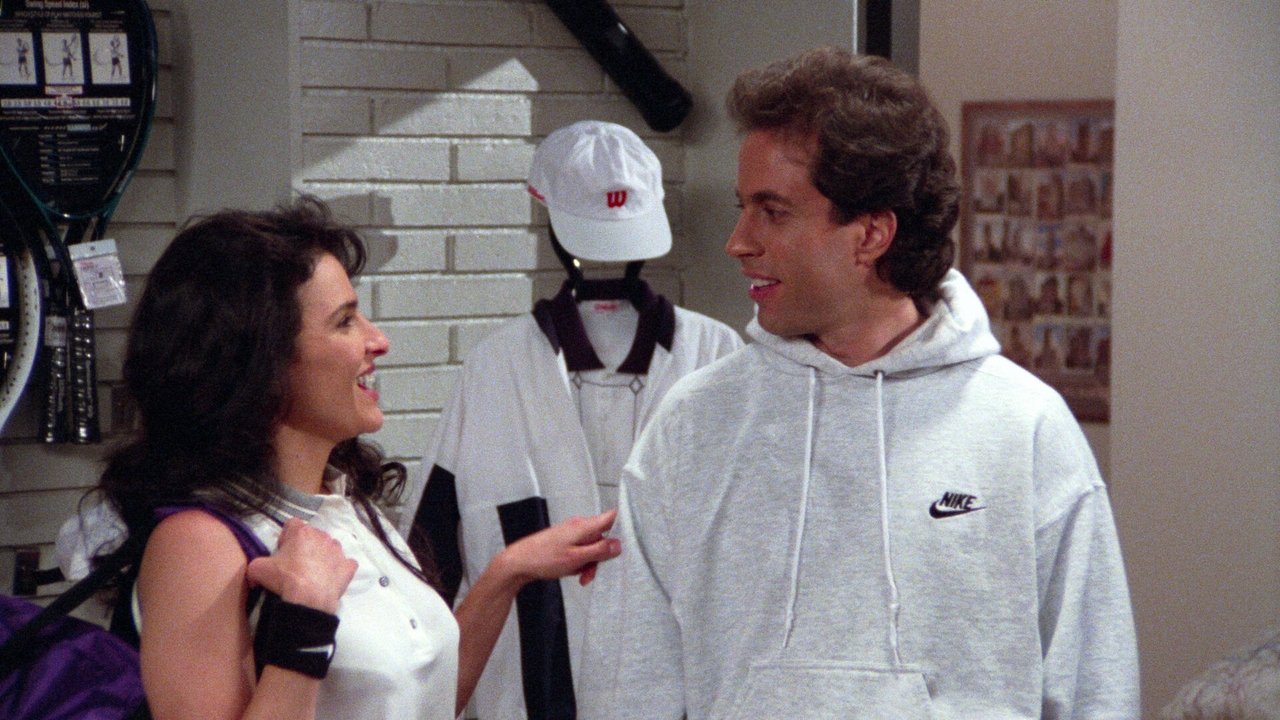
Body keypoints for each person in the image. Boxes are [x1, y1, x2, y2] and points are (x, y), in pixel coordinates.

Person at [579, 47, 1137, 719]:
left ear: (871, 233)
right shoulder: (693, 423)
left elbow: (1094, 689)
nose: (738, 241)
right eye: (743, 207)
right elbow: (629, 685)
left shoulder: (1025, 428)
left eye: (772, 211)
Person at [91, 197, 620, 720]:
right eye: (345, 322)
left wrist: (509, 570)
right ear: (259, 360)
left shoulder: (347, 505)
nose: (378, 340)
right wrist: (304, 621)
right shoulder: (198, 544)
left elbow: (418, 702)